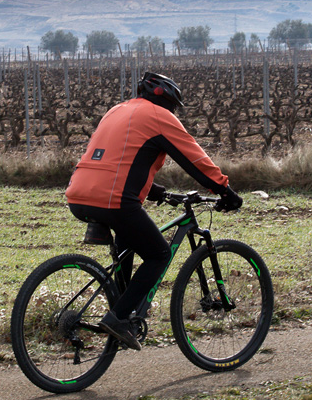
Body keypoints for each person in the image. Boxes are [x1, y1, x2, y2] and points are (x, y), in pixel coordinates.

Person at [65, 71, 242, 351]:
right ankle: (118, 318)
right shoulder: (158, 115)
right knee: (159, 254)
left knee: (128, 243)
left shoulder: (116, 111)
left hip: (78, 194)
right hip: (115, 199)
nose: (173, 112)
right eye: (174, 108)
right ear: (168, 101)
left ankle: (124, 310)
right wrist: (224, 190)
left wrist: (157, 192)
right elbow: (193, 158)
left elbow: (121, 161)